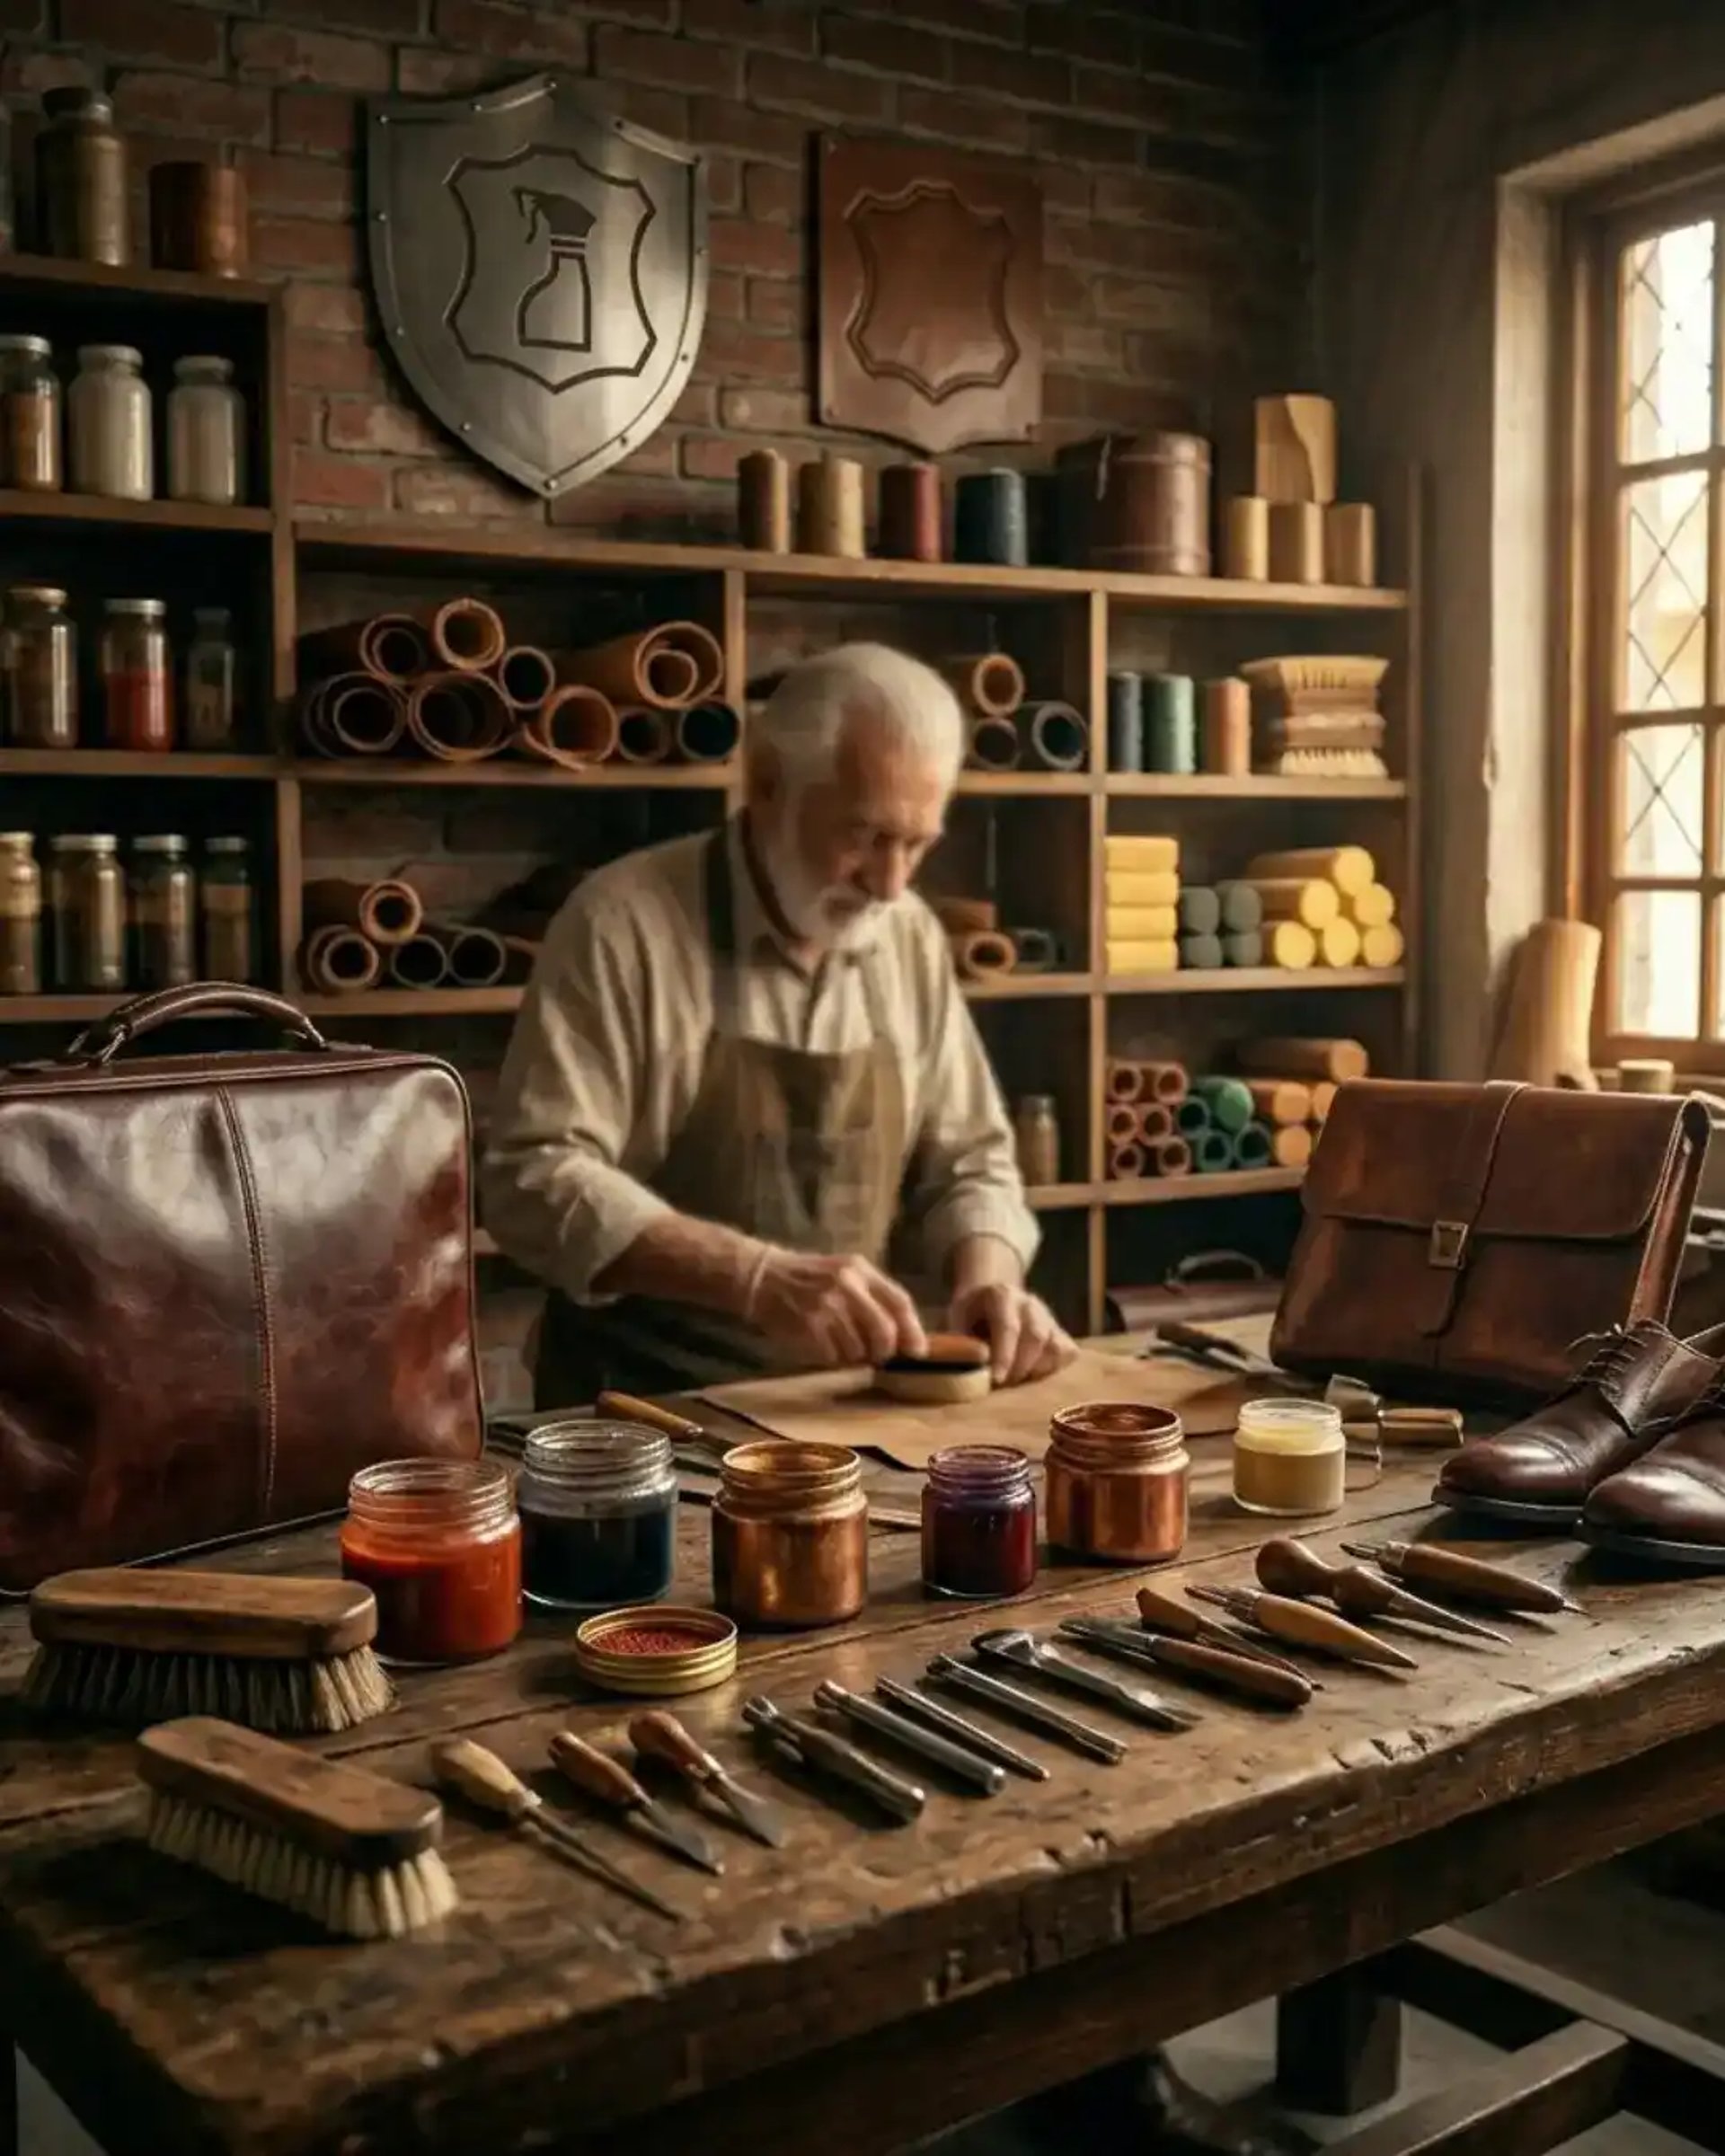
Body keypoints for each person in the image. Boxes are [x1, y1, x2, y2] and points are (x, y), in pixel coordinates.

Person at [481, 640, 1078, 1406]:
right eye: (863, 837)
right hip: (644, 1412)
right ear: (765, 785)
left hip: (841, 1407)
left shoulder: (909, 935)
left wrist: (989, 1276)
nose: (890, 884)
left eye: (917, 844)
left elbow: (971, 1160)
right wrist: (754, 1279)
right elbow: (531, 1177)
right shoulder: (621, 922)